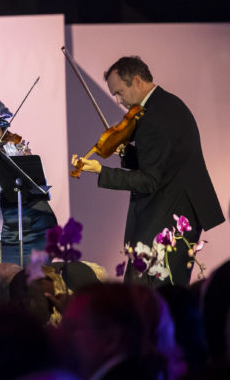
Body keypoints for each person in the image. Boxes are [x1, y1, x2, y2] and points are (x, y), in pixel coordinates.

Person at [71, 56, 224, 285]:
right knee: (161, 289)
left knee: (147, 288)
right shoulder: (167, 105)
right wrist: (125, 153)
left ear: (137, 81)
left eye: (120, 92)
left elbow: (150, 180)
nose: (119, 100)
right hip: (179, 206)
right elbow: (162, 161)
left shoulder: (153, 118)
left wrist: (100, 171)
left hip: (169, 211)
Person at [0, 107, 58, 280]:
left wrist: (24, 157)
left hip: (38, 227)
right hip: (11, 233)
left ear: (1, 127)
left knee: (28, 287)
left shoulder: (13, 149)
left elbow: (37, 186)